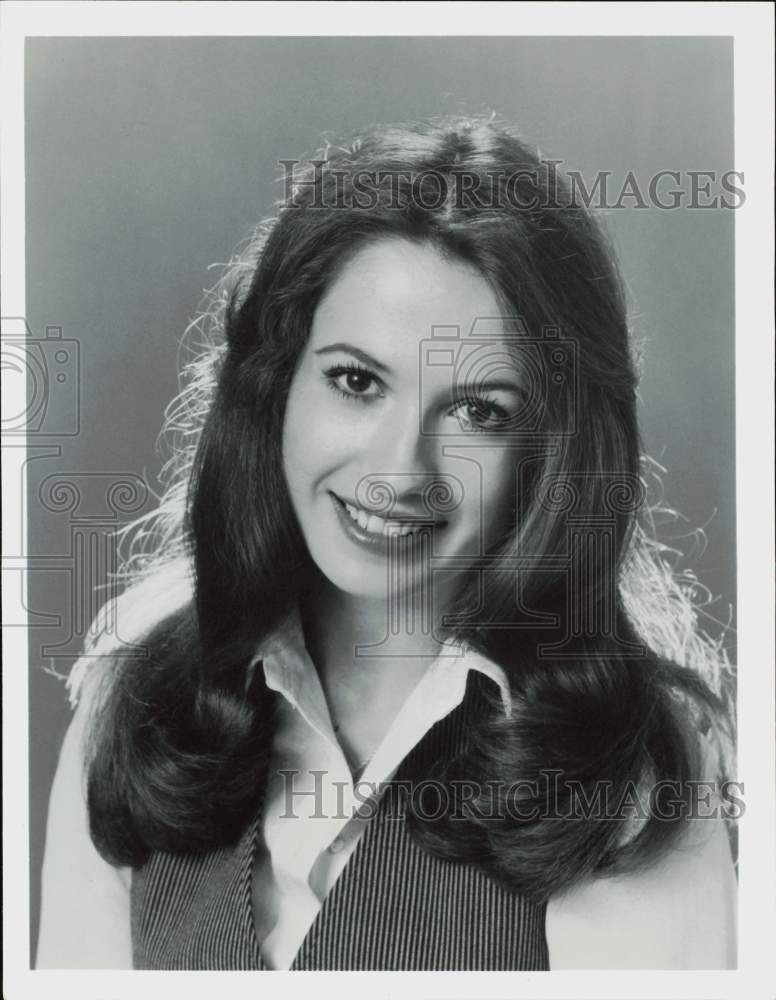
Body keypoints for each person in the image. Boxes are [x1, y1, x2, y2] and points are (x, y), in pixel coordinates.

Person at [36, 114, 737, 971]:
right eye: (357, 381)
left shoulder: (632, 764)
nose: (397, 470)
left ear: (549, 454)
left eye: (480, 412)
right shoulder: (134, 708)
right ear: (275, 390)